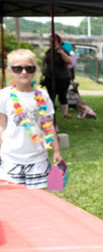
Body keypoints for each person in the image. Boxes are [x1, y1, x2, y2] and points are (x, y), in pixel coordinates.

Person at [0, 49, 63, 188]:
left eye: (29, 68)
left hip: (37, 157)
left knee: (37, 199)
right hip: (10, 157)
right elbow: (1, 126)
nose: (24, 72)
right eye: (18, 68)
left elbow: (48, 126)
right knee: (13, 197)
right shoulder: (4, 96)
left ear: (35, 70)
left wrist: (57, 151)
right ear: (9, 71)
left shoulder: (42, 95)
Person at [41, 33, 73, 119]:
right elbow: (44, 59)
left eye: (52, 40)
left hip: (63, 77)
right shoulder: (48, 51)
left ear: (57, 41)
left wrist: (61, 53)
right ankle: (51, 112)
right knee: (51, 95)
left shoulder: (63, 50)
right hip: (49, 77)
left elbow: (70, 61)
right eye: (50, 40)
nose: (50, 42)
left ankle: (65, 113)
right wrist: (42, 68)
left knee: (62, 95)